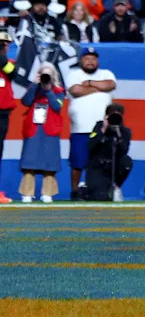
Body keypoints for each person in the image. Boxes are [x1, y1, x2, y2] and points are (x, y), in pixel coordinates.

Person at [65, 47, 116, 200]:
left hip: (102, 128)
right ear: (81, 60)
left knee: (100, 163)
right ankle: (74, 192)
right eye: (87, 58)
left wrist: (89, 83)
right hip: (80, 128)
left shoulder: (106, 73)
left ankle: (97, 191)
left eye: (93, 58)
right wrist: (97, 88)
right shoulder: (74, 74)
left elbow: (110, 85)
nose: (90, 61)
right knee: (77, 163)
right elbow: (76, 90)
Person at [18, 63, 65, 203]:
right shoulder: (33, 89)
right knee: (29, 162)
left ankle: (48, 193)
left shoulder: (58, 91)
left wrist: (48, 90)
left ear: (53, 76)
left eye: (48, 75)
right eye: (43, 74)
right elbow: (25, 102)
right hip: (34, 129)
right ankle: (27, 193)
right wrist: (34, 85)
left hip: (50, 129)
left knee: (49, 162)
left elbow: (57, 106)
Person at [85, 104, 133, 201]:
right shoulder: (99, 126)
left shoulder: (125, 131)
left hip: (114, 166)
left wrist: (119, 134)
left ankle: (116, 186)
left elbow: (124, 150)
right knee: (100, 197)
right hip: (98, 167)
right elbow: (90, 145)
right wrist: (103, 129)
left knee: (127, 162)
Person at [0, 31, 13, 203]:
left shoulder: (8, 63)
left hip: (2, 114)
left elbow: (14, 73)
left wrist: (1, 58)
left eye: (4, 43)